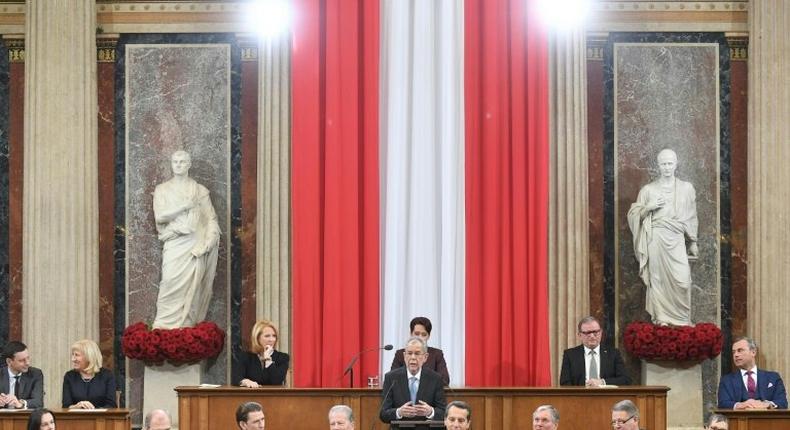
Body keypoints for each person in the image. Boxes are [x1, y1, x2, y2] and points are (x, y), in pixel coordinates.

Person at [627, 148, 698, 326]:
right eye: (663, 164)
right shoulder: (648, 190)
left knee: (683, 281)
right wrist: (648, 207)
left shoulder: (686, 188)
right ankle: (661, 320)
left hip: (676, 238)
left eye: (670, 163)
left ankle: (683, 320)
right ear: (658, 166)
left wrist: (693, 241)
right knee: (657, 279)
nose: (667, 167)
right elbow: (633, 215)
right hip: (656, 238)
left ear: (676, 164)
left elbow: (691, 215)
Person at [152, 150, 220, 329]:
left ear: (189, 164)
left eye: (182, 162)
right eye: (175, 161)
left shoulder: (199, 190)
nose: (179, 165)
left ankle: (187, 327)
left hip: (193, 244)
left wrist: (208, 243)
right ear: (171, 164)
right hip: (174, 243)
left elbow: (210, 219)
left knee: (192, 287)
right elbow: (160, 217)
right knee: (169, 281)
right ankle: (163, 326)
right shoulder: (162, 189)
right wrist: (184, 206)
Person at [380, 337, 447, 426]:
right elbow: (383, 414)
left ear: (425, 357)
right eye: (409, 353)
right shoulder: (391, 378)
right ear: (404, 356)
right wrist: (399, 412)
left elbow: (444, 412)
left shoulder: (435, 379)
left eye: (417, 353)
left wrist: (431, 411)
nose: (413, 357)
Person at [559, 316, 631, 387]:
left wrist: (602, 382)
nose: (592, 336)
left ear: (601, 332)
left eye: (595, 332)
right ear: (580, 335)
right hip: (580, 397)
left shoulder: (613, 354)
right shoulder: (570, 355)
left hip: (606, 396)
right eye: (587, 333)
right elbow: (564, 383)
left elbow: (625, 379)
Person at [717, 337, 787, 409]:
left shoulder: (773, 378)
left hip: (768, 419)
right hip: (740, 419)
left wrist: (768, 404)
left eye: (740, 350)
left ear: (753, 352)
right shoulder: (726, 380)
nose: (736, 355)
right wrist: (740, 405)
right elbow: (722, 403)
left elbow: (782, 402)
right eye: (733, 352)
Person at [390, 317, 450, 385]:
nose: (420, 337)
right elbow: (392, 379)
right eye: (417, 334)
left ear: (428, 336)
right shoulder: (400, 354)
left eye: (424, 334)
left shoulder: (436, 354)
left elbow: (445, 380)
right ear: (411, 334)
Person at [62, 339, 117, 409]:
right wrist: (77, 406)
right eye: (72, 355)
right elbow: (66, 406)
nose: (73, 359)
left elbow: (111, 405)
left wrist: (94, 411)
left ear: (89, 357)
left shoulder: (107, 376)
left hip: (101, 418)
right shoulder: (69, 376)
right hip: (76, 418)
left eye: (76, 355)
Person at [233, 320, 290, 387]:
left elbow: (276, 381)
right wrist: (245, 381)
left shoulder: (283, 357)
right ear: (257, 338)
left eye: (274, 336)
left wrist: (268, 360)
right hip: (251, 395)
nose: (271, 339)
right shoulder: (246, 356)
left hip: (274, 396)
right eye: (267, 336)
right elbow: (236, 378)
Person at [0, 341, 44, 409]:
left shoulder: (35, 374)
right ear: (9, 361)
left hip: (25, 418)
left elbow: (38, 402)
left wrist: (20, 403)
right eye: (22, 360)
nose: (27, 363)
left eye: (28, 358)